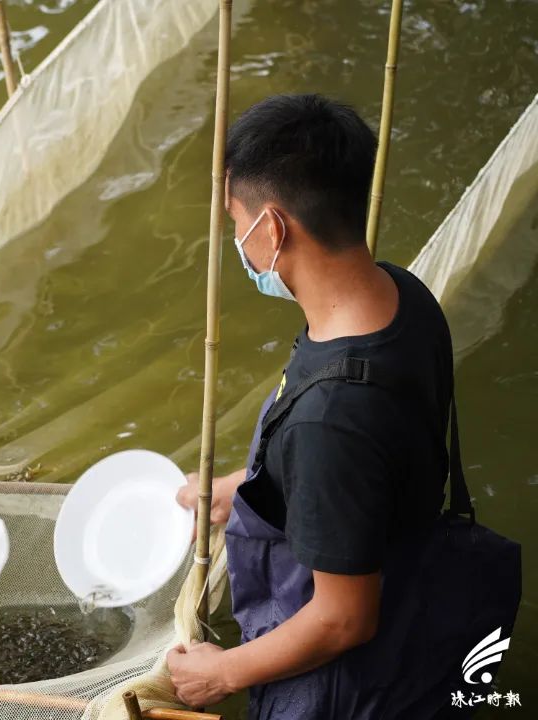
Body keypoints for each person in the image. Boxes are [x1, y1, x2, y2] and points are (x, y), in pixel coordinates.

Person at [170, 94, 463, 715]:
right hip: (416, 588)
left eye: (237, 223)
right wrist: (244, 486)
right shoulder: (403, 294)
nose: (240, 245)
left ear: (272, 228)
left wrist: (223, 672)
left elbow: (342, 619)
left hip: (349, 683)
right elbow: (367, 475)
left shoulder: (332, 419)